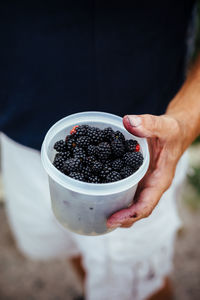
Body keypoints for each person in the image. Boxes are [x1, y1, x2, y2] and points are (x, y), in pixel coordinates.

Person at [0, 1, 200, 299]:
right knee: (62, 240)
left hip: (145, 148)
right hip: (18, 123)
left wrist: (185, 121)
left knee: (136, 283)